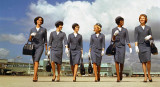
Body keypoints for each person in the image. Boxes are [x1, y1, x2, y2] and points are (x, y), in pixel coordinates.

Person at [111, 16, 132, 82]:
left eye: (123, 21)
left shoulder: (125, 30)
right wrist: (114, 35)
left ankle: (120, 73)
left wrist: (130, 47)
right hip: (116, 46)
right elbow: (112, 40)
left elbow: (127, 39)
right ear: (118, 22)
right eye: (121, 21)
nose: (123, 22)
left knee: (121, 62)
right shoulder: (113, 29)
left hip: (122, 46)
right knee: (116, 61)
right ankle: (117, 76)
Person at [134, 14, 153, 82]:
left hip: (147, 45)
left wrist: (149, 37)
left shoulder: (148, 28)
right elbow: (136, 38)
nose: (142, 19)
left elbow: (152, 38)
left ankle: (149, 74)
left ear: (145, 19)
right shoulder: (137, 28)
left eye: (143, 18)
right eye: (141, 18)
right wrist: (136, 46)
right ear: (139, 19)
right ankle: (145, 76)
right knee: (143, 62)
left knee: (148, 60)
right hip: (140, 46)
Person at [29, 16, 47, 82]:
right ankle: (36, 74)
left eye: (41, 20)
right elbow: (29, 40)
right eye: (39, 20)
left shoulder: (44, 29)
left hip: (40, 46)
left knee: (36, 60)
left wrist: (46, 49)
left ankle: (34, 77)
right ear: (36, 21)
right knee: (34, 61)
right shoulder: (32, 29)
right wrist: (31, 36)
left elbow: (45, 40)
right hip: (33, 46)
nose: (40, 21)